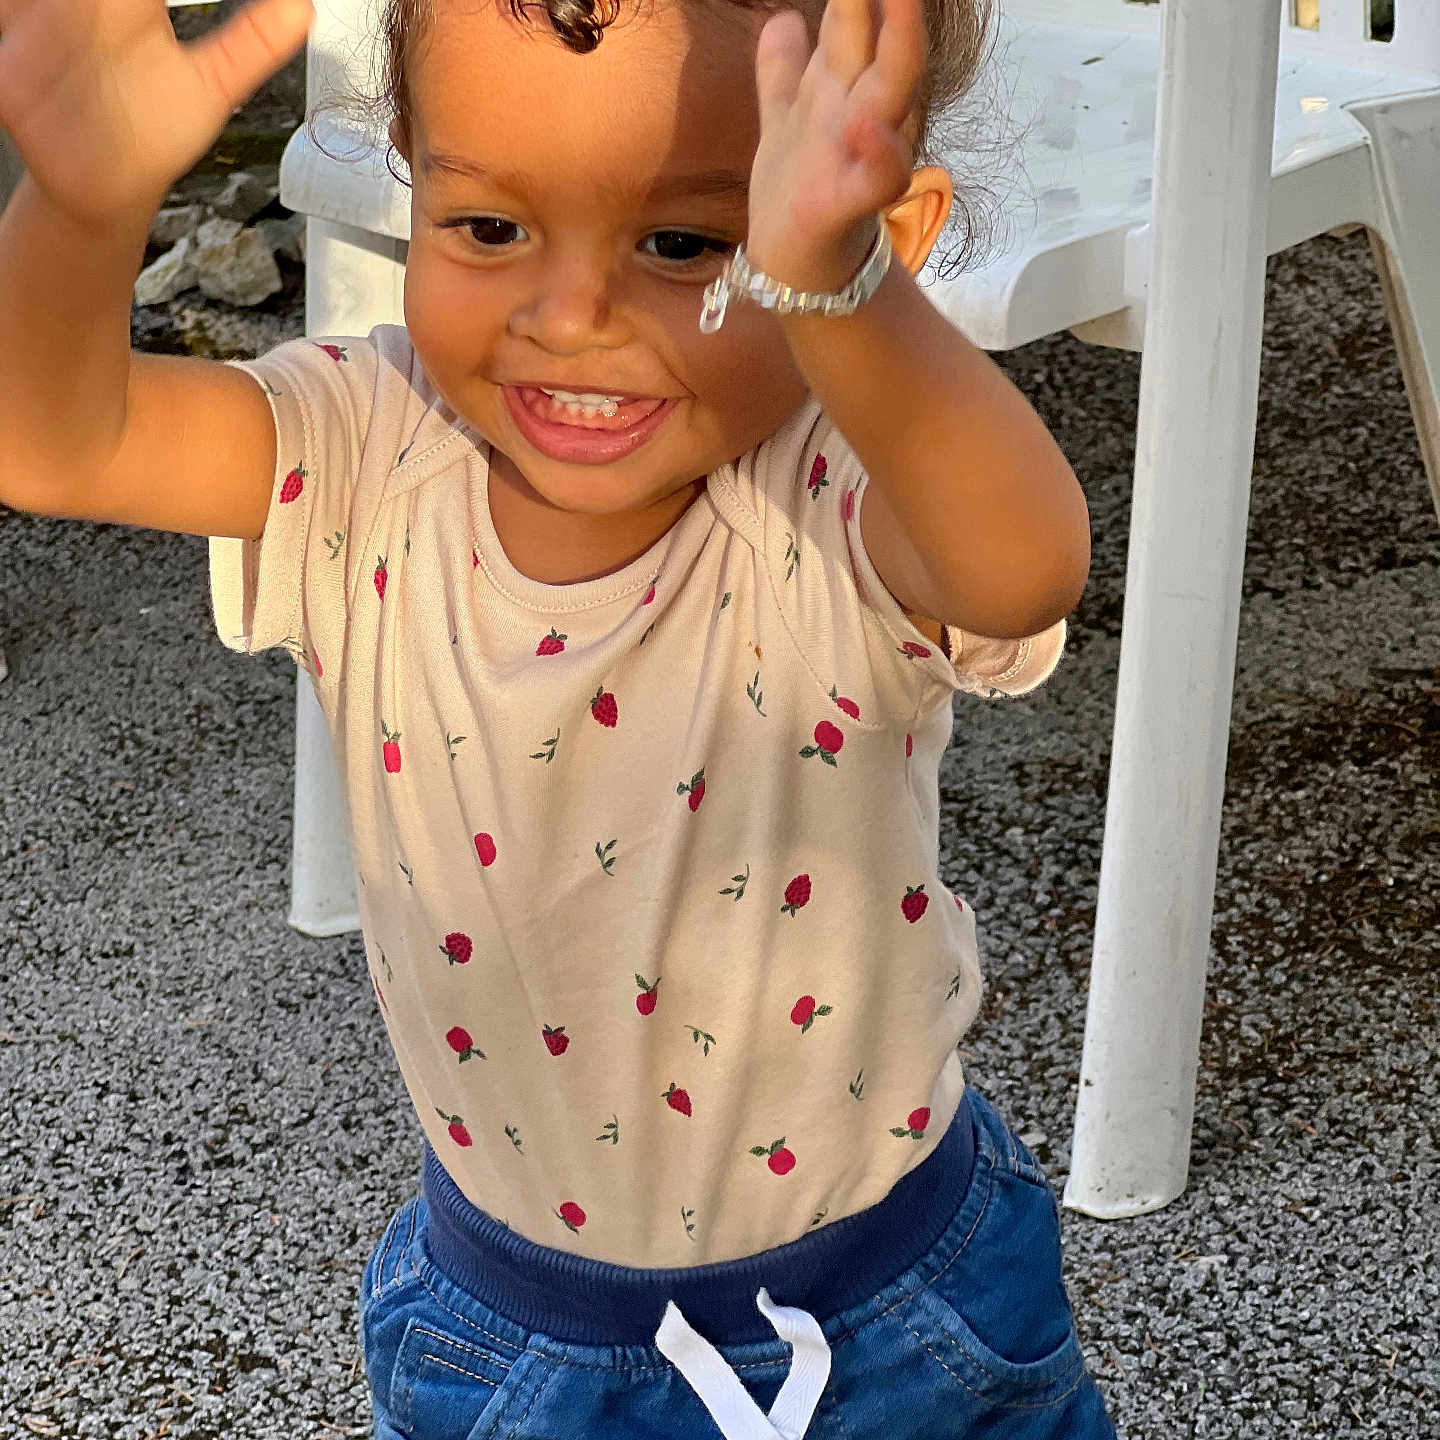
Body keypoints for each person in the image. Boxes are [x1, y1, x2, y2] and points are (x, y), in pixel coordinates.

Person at [0, 0, 1114, 1434]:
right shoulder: (364, 455)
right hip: (507, 1335)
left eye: (684, 244)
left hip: (899, 1317)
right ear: (413, 172)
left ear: (872, 237)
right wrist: (85, 207)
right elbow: (50, 437)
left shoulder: (833, 492)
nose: (571, 317)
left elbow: (1022, 561)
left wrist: (840, 296)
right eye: (488, 227)